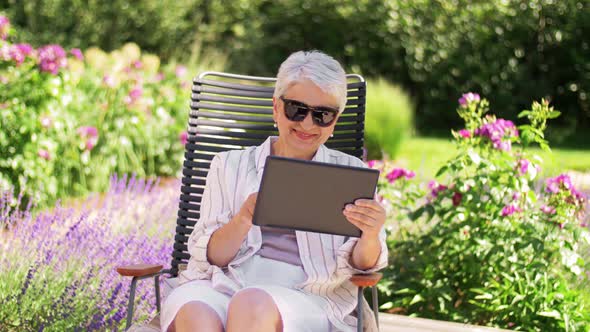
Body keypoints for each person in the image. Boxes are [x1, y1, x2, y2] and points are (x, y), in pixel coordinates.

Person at [160, 50, 388, 332]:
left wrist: (371, 233)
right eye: (297, 109)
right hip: (222, 282)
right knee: (196, 315)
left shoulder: (351, 173)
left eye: (322, 115)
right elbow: (212, 257)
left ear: (335, 121)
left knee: (252, 304)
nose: (307, 124)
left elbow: (364, 265)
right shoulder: (228, 165)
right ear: (276, 108)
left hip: (309, 296)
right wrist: (243, 219)